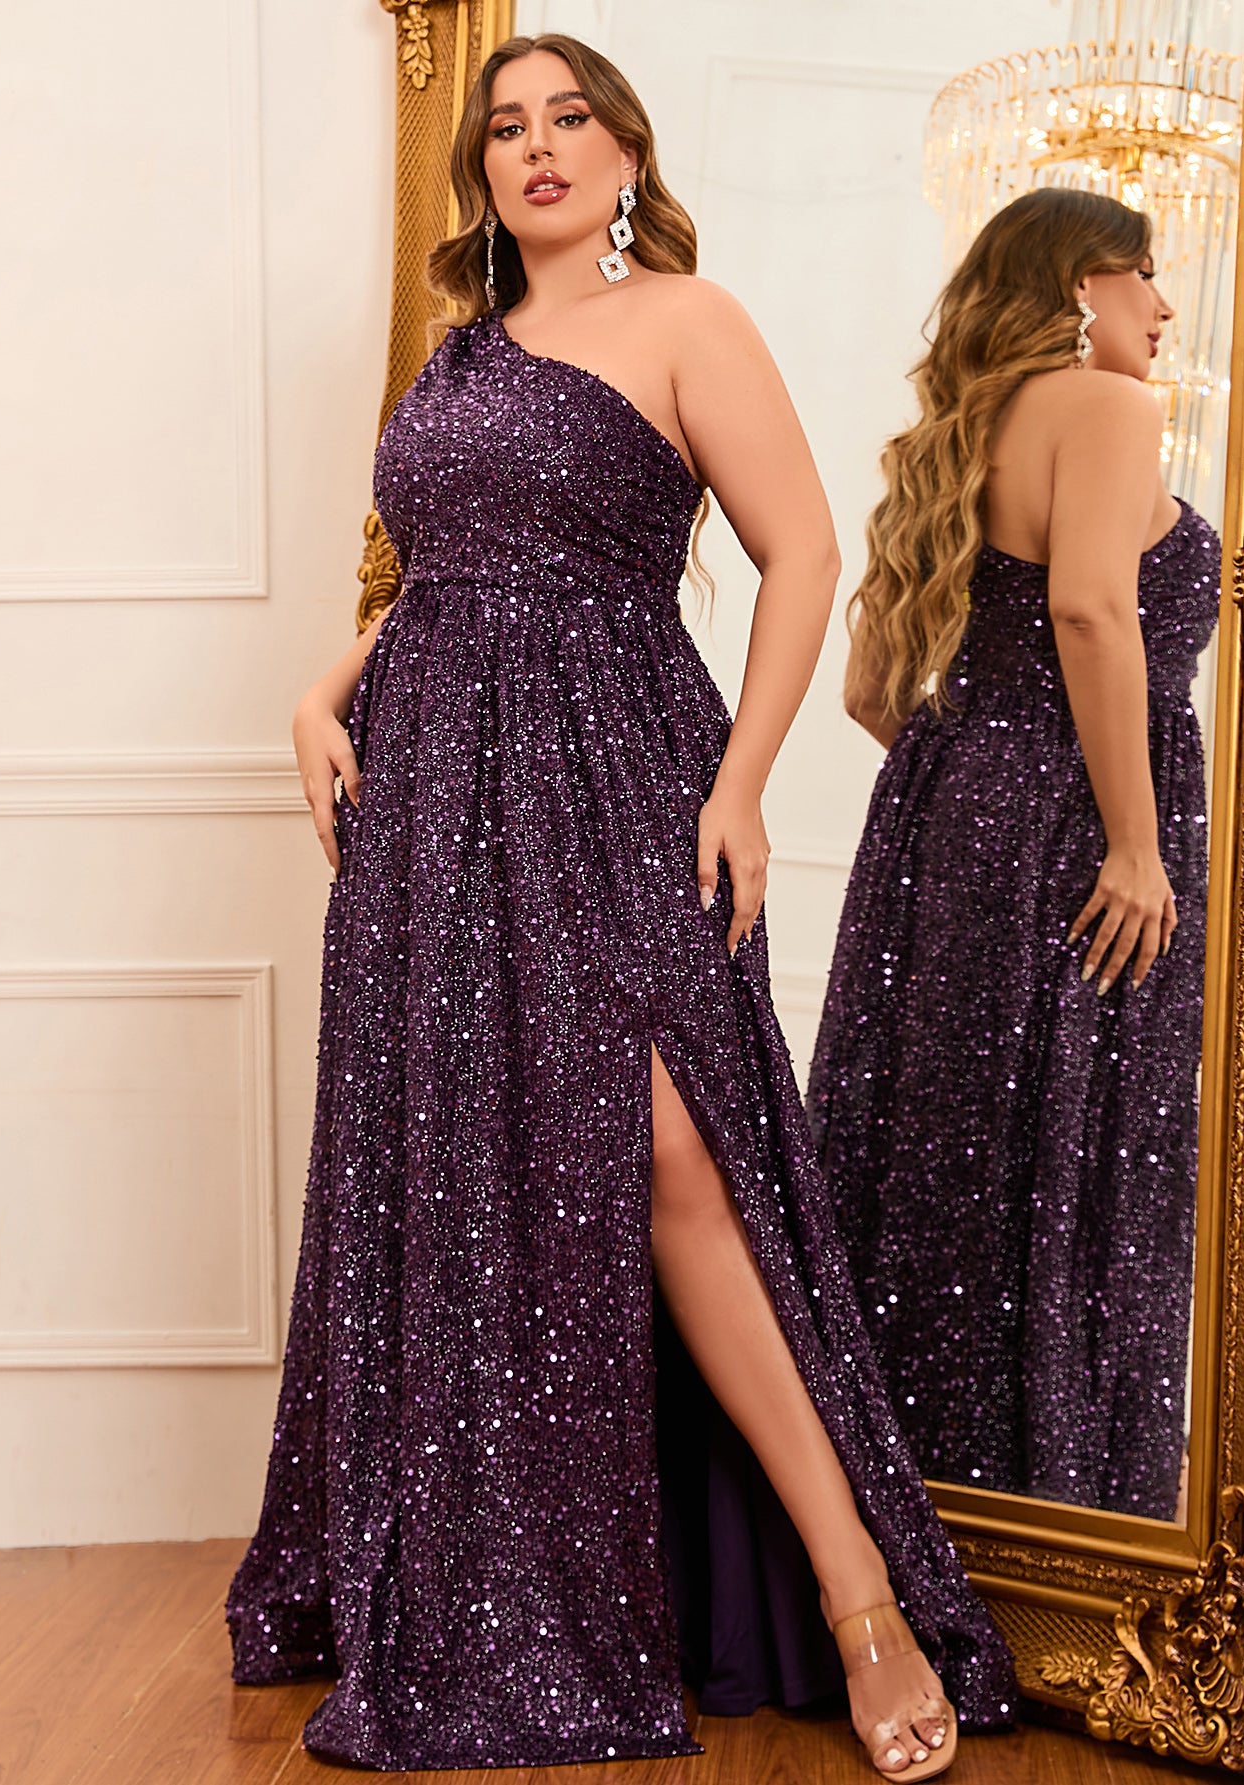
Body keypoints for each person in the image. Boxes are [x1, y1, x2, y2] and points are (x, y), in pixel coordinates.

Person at [226, 32, 1014, 1776]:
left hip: (616, 775)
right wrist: (323, 690)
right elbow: (438, 577)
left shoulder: (685, 319)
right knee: (469, 1178)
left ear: (625, 152)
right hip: (435, 803)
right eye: (506, 128)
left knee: (674, 1150)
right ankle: (507, 1586)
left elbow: (804, 551)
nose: (537, 148)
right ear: (482, 173)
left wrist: (740, 782)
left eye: (569, 119)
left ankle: (857, 1590)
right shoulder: (455, 355)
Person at [809, 188, 1218, 1520]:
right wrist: (1133, 842)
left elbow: (871, 693)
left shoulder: (957, 430)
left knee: (940, 1158)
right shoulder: (1108, 408)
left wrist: (980, 787)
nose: (1165, 306)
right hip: (1085, 830)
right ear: (1082, 285)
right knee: (1073, 1157)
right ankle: (1063, 1520)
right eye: (1145, 274)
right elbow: (1092, 608)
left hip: (950, 822)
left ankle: (911, 1513)